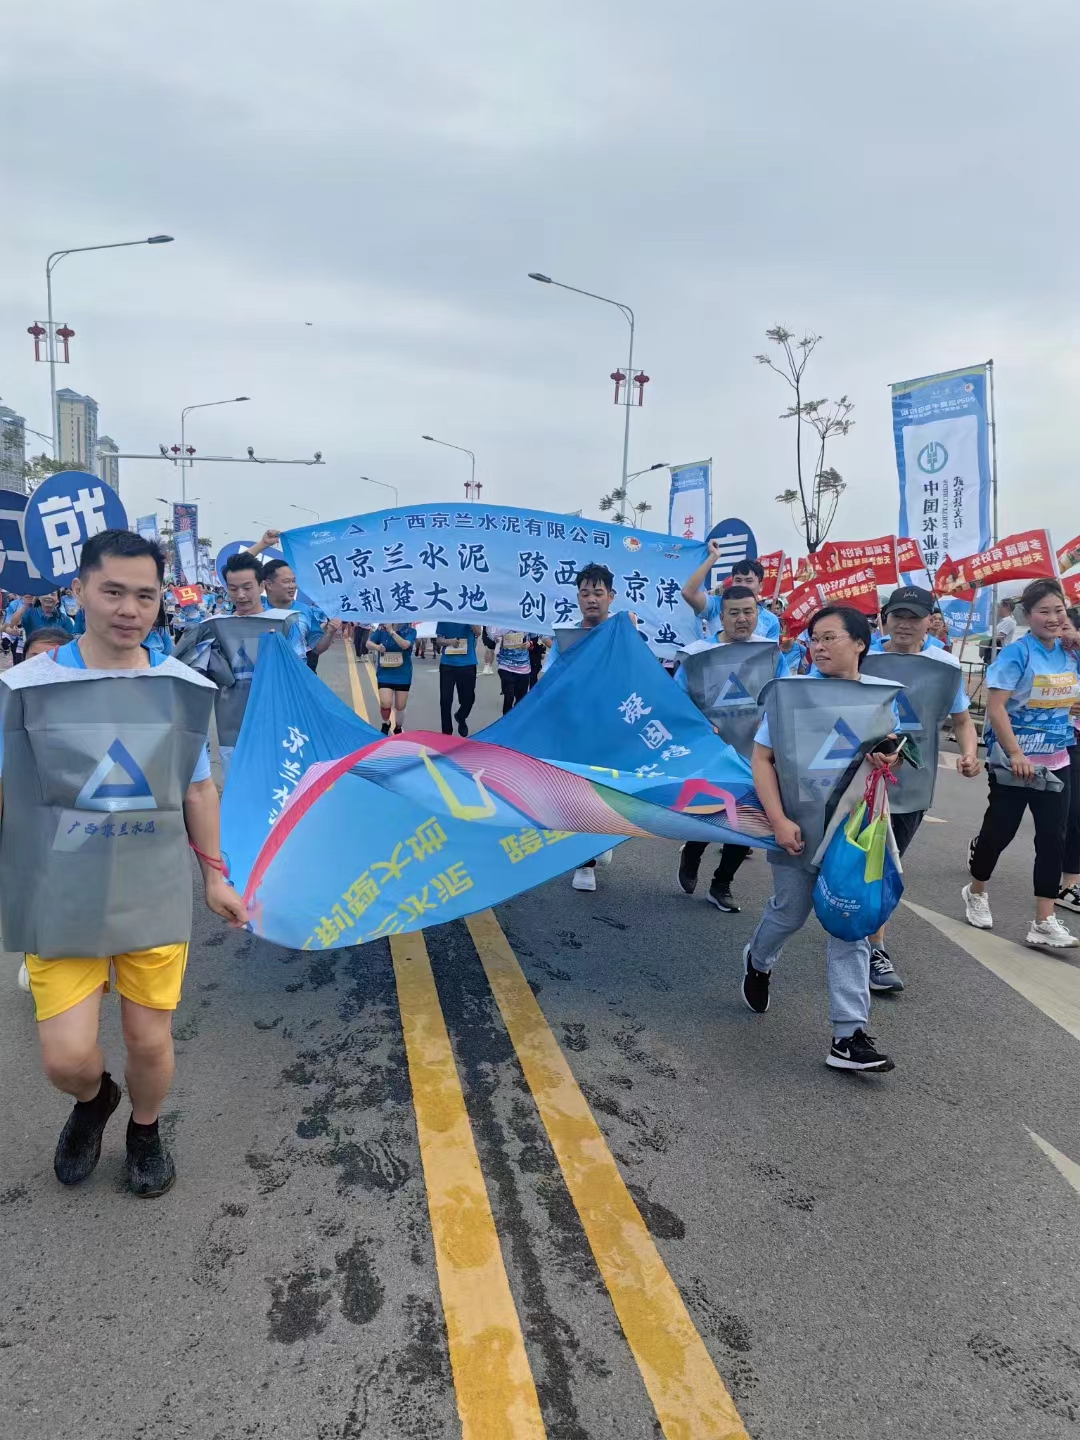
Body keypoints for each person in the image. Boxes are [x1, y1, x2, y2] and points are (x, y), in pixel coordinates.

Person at [0, 529, 246, 1198]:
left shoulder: (180, 690)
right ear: (78, 590)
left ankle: (144, 1129)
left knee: (148, 1040)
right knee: (66, 1058)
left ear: (161, 599)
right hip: (58, 893)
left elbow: (198, 790)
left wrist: (215, 876)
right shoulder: (25, 688)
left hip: (151, 890)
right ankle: (94, 1100)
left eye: (145, 595)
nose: (129, 609)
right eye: (112, 591)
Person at [744, 605, 899, 1073]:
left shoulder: (879, 697)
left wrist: (888, 756)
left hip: (852, 832)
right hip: (796, 827)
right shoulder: (792, 695)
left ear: (860, 643)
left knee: (849, 925)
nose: (819, 646)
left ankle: (847, 1035)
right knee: (789, 914)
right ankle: (758, 959)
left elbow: (889, 746)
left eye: (830, 637)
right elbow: (762, 759)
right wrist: (777, 820)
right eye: (814, 638)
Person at [862, 586, 981, 992]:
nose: (905, 624)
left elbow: (962, 720)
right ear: (885, 618)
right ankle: (873, 947)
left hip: (912, 785)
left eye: (914, 617)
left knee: (887, 865)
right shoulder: (863, 656)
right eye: (898, 615)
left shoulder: (944, 666)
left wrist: (969, 754)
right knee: (872, 864)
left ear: (931, 620)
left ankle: (864, 934)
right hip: (859, 778)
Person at [963, 580, 1080, 948]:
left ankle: (1043, 920)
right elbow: (996, 708)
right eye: (1044, 611)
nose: (1053, 618)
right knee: (998, 833)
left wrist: (1076, 638)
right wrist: (1016, 754)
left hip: (1056, 760)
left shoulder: (1070, 652)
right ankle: (976, 890)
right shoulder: (1017, 653)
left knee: (1053, 839)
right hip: (1014, 763)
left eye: (1058, 610)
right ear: (1027, 615)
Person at [674, 585, 779, 912]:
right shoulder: (697, 655)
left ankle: (721, 884)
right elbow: (677, 700)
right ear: (721, 616)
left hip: (756, 755)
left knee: (748, 821)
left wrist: (772, 727)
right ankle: (693, 852)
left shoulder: (769, 653)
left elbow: (783, 696)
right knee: (710, 812)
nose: (742, 619)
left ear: (758, 614)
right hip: (712, 753)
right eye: (734, 613)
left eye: (749, 612)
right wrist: (699, 726)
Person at [174, 552, 306, 781]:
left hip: (280, 724)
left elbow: (300, 676)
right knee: (238, 791)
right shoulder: (214, 628)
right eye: (233, 589)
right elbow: (188, 678)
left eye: (247, 587)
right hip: (232, 727)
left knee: (282, 791)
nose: (241, 595)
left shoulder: (285, 623)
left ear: (262, 585)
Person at [568, 564, 621, 892]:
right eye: (585, 593)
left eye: (598, 593)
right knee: (578, 797)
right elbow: (550, 678)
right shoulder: (567, 636)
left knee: (607, 795)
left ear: (610, 596)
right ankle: (584, 864)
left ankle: (600, 839)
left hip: (614, 729)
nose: (591, 599)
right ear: (577, 597)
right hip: (577, 730)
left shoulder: (623, 630)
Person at [680, 548, 782, 642]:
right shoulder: (716, 605)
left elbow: (771, 653)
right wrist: (713, 557)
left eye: (749, 581)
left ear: (760, 586)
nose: (743, 585)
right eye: (738, 580)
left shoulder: (771, 621)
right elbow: (688, 592)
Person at [260, 557, 341, 666]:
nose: (293, 586)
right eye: (286, 581)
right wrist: (261, 547)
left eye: (293, 581)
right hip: (264, 673)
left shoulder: (304, 611)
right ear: (269, 584)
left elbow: (317, 648)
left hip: (296, 674)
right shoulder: (256, 609)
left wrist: (330, 633)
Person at [1058, 606, 1080, 913]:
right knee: (1009, 815)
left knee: (1075, 813)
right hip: (1043, 740)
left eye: (1066, 626)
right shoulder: (1038, 653)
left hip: (1074, 740)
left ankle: (1069, 884)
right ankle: (984, 844)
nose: (1060, 631)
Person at [368, 621, 417, 734]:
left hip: (403, 674)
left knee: (400, 706)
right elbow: (368, 643)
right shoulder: (381, 628)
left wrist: (391, 631)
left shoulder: (410, 631)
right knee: (385, 702)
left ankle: (398, 727)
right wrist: (377, 647)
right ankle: (386, 723)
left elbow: (405, 645)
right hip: (385, 673)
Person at [435, 621, 482, 736]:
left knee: (468, 699)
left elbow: (478, 632)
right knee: (445, 700)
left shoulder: (470, 616)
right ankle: (446, 733)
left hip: (468, 663)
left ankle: (461, 716)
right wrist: (450, 641)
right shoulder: (445, 618)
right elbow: (438, 641)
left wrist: (469, 619)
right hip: (448, 664)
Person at [489, 627, 533, 714]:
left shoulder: (528, 622)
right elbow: (490, 638)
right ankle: (506, 720)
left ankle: (516, 720)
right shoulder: (503, 622)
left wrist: (530, 643)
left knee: (521, 699)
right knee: (509, 695)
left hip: (523, 667)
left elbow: (535, 639)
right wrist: (497, 639)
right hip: (505, 665)